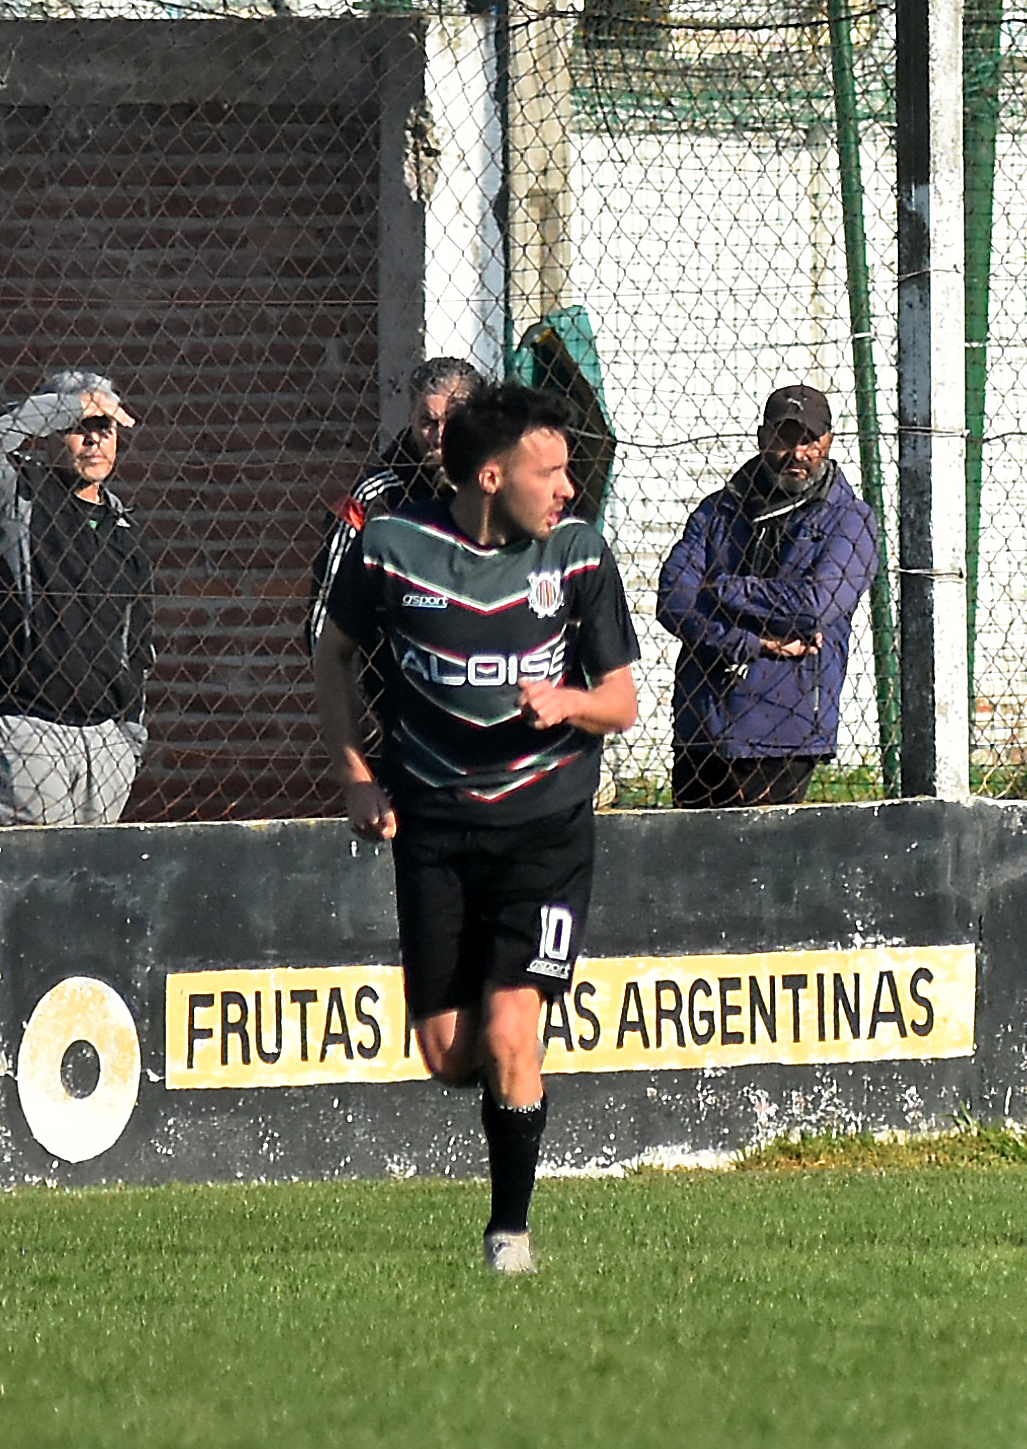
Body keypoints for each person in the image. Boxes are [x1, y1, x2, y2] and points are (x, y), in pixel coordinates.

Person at [314, 383, 640, 1276]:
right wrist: (355, 777)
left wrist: (566, 700)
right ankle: (513, 1067)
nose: (567, 489)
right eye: (552, 472)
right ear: (491, 477)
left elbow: (621, 701)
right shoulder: (390, 550)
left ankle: (511, 1234)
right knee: (449, 1055)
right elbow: (331, 654)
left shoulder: (576, 557)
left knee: (505, 1031)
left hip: (546, 831)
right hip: (434, 831)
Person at [657, 384, 884, 808]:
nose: (796, 453)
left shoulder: (851, 521)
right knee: (691, 866)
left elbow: (814, 606)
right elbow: (672, 599)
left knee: (763, 868)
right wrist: (752, 642)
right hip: (701, 723)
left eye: (808, 440)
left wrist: (723, 588)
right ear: (763, 438)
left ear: (828, 443)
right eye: (783, 437)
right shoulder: (718, 510)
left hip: (784, 731)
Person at [0, 371, 155, 825]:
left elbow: (139, 638)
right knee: (39, 873)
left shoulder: (123, 527)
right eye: (78, 428)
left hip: (107, 738)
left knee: (93, 880)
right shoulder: (20, 496)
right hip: (28, 724)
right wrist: (74, 404)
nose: (93, 440)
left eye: (103, 428)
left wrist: (130, 734)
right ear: (50, 435)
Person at [307, 358, 484, 655]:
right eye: (428, 423)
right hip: (396, 674)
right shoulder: (375, 496)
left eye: (453, 421)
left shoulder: (503, 488)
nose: (440, 438)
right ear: (411, 420)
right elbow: (325, 605)